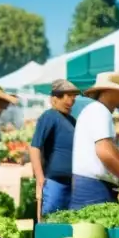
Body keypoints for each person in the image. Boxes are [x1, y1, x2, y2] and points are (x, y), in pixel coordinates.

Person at [71, 72, 119, 207]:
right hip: (92, 186)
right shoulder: (100, 111)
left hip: (86, 183)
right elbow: (104, 150)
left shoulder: (94, 110)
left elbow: (109, 149)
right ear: (110, 91)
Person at [30, 79, 79, 217]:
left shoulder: (71, 120)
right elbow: (34, 147)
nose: (71, 101)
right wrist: (40, 178)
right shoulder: (49, 116)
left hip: (71, 184)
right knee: (51, 221)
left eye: (73, 98)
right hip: (54, 183)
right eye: (67, 97)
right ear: (54, 99)